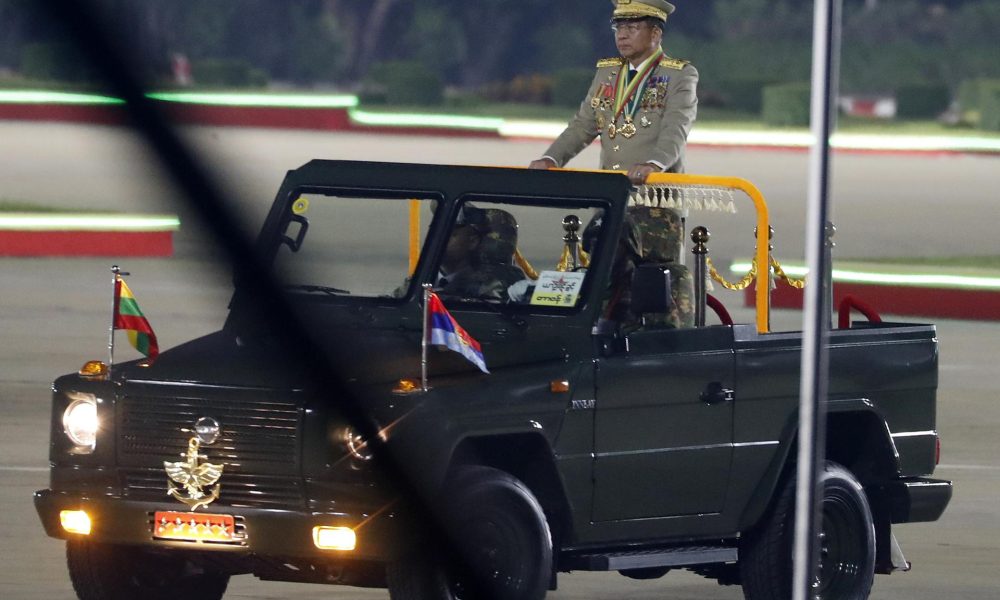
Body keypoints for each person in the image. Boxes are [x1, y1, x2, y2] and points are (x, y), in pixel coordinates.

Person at [528, 0, 698, 185]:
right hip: (611, 192)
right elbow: (583, 125)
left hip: (655, 195)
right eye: (618, 28)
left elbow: (675, 128)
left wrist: (654, 165)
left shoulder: (678, 74)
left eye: (632, 28)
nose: (622, 35)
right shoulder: (608, 72)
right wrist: (552, 159)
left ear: (655, 33)